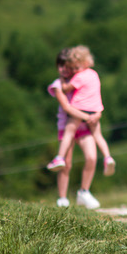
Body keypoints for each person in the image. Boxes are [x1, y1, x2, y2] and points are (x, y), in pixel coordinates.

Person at [47, 45, 116, 177]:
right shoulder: (94, 74)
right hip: (95, 110)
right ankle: (108, 157)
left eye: (76, 68)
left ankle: (60, 157)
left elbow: (66, 89)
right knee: (98, 136)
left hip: (79, 108)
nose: (74, 70)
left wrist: (61, 80)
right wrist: (97, 112)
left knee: (69, 132)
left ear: (84, 64)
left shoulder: (79, 77)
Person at [47, 48, 101, 209]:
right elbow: (67, 107)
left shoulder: (81, 78)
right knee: (66, 163)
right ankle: (62, 198)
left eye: (67, 66)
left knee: (91, 157)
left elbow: (94, 97)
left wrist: (98, 113)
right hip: (68, 126)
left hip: (84, 126)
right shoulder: (58, 85)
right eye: (61, 66)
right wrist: (88, 116)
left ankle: (84, 192)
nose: (64, 69)